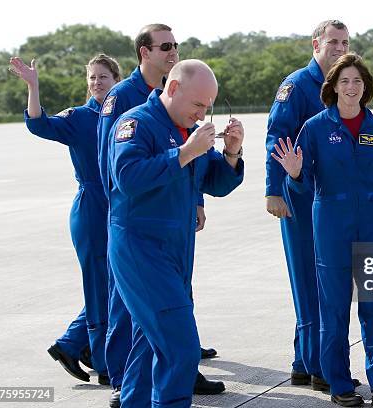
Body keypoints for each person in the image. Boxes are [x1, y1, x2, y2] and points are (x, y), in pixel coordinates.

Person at [107, 59, 244, 408]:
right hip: (141, 249)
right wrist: (184, 153)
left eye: (208, 107)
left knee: (148, 343)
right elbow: (129, 177)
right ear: (172, 89)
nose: (202, 114)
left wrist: (230, 153)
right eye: (198, 105)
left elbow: (214, 181)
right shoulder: (136, 123)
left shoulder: (187, 129)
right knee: (181, 346)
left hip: (177, 249)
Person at [273, 53, 373, 407]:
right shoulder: (315, 128)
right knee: (332, 310)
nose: (351, 87)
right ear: (332, 87)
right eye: (344, 81)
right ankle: (340, 384)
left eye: (358, 81)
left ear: (366, 87)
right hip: (330, 227)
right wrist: (296, 174)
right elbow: (300, 188)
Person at [10, 54, 121, 385]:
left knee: (120, 285)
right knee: (101, 287)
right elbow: (39, 124)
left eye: (103, 77)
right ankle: (103, 363)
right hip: (91, 211)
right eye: (91, 78)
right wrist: (34, 87)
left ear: (117, 81)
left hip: (122, 207)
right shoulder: (79, 118)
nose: (97, 82)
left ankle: (75, 345)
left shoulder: (128, 115)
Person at [265, 19, 353, 391]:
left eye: (345, 42)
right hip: (299, 198)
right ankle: (320, 367)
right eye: (332, 41)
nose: (338, 47)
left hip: (330, 200)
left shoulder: (343, 84)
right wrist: (274, 190)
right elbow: (276, 137)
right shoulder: (298, 86)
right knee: (309, 281)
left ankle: (305, 361)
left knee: (325, 281)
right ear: (315, 44)